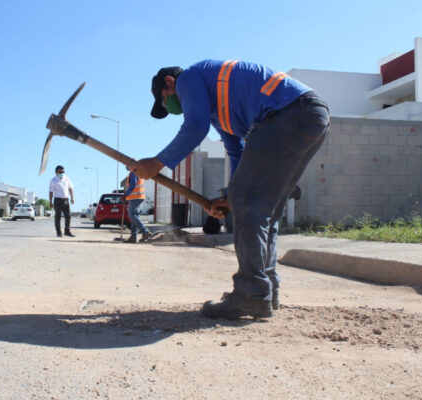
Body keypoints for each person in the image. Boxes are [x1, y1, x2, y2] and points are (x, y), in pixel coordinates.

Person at [132, 60, 330, 320]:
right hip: (311, 116)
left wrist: (156, 163)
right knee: (263, 210)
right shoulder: (218, 109)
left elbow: (194, 128)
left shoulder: (188, 78)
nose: (168, 107)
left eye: (165, 100)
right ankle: (266, 290)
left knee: (250, 202)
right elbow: (235, 150)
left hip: (287, 114)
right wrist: (229, 199)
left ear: (169, 83)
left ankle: (252, 293)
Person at [122, 170, 155, 243]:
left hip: (135, 197)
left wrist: (126, 194)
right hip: (138, 196)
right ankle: (133, 236)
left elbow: (133, 184)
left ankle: (145, 231)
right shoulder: (138, 172)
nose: (126, 167)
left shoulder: (134, 172)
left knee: (132, 215)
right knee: (135, 216)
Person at [49, 165, 75, 238]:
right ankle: (59, 233)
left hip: (66, 199)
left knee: (68, 216)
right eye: (60, 172)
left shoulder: (66, 178)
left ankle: (67, 231)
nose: (62, 173)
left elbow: (70, 188)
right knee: (58, 217)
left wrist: (72, 197)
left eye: (63, 172)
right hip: (57, 200)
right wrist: (50, 202)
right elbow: (51, 191)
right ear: (56, 172)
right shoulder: (53, 180)